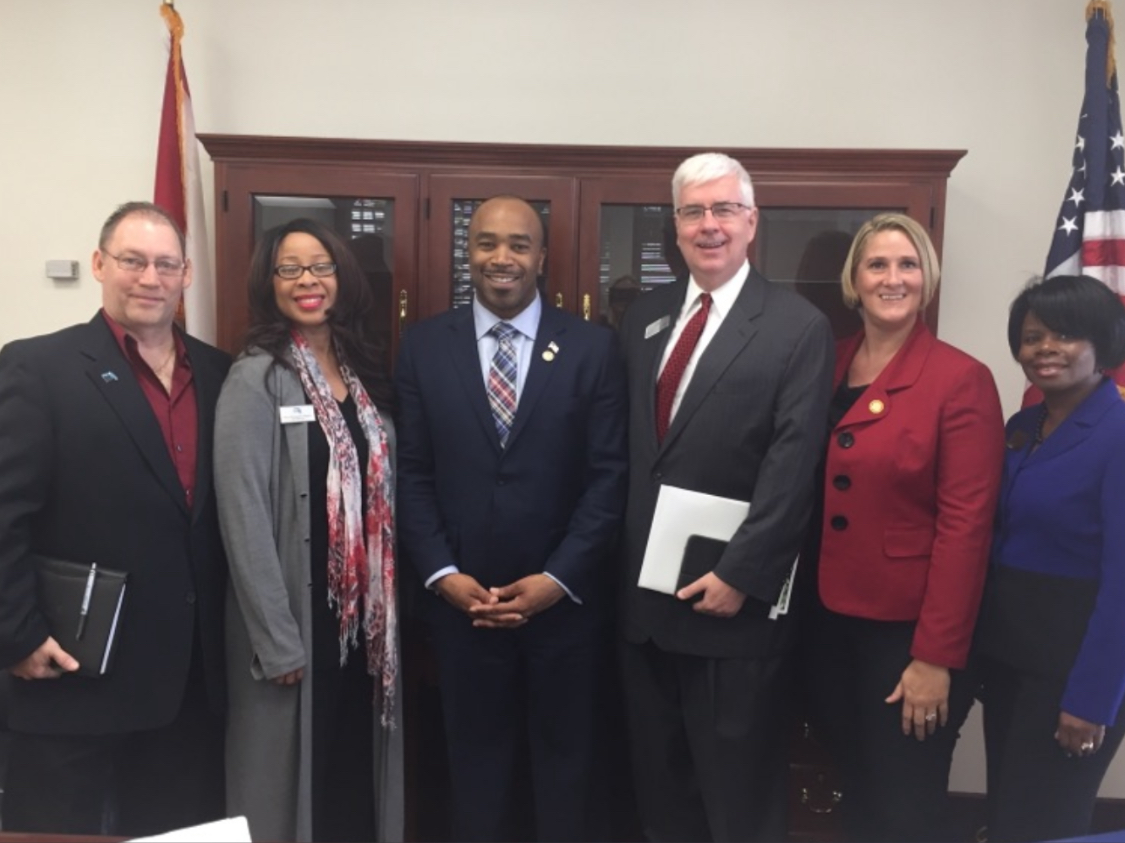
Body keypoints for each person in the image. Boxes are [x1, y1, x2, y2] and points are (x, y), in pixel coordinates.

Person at [395, 195, 628, 842]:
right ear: (467, 251)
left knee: (565, 775)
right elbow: (409, 473)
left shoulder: (592, 348)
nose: (502, 258)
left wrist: (557, 579)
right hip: (462, 607)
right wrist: (442, 573)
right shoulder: (423, 346)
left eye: (519, 245)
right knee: (475, 774)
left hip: (564, 609)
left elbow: (609, 477)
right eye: (487, 242)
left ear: (542, 256)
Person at [617, 152, 835, 842]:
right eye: (693, 211)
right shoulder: (645, 317)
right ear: (675, 224)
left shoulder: (797, 326)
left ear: (751, 222)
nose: (708, 225)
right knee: (660, 794)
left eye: (724, 210)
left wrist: (742, 572)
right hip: (643, 607)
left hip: (732, 610)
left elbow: (793, 464)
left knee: (737, 799)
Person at [0, 201, 229, 836]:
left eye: (166, 264)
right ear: (100, 264)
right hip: (70, 670)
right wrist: (15, 636)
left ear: (186, 275)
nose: (150, 278)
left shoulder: (221, 372)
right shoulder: (37, 367)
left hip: (188, 684)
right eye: (133, 261)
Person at [802, 212, 1004, 842]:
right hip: (824, 623)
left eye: (908, 264)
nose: (893, 278)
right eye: (877, 265)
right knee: (856, 785)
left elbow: (967, 527)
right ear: (853, 281)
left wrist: (935, 657)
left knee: (902, 803)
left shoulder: (960, 379)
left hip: (907, 635)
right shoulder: (825, 362)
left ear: (927, 279)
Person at [214, 218, 402, 843]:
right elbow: (242, 512)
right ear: (268, 283)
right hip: (297, 619)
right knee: (292, 787)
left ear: (342, 277)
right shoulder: (256, 377)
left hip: (362, 622)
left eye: (320, 266)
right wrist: (276, 639)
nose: (307, 281)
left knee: (349, 772)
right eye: (289, 269)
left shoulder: (361, 370)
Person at [974, 274, 1125, 842]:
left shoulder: (1119, 433)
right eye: (1033, 337)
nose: (1045, 349)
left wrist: (1092, 700)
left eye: (1064, 335)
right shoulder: (1023, 426)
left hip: (1075, 674)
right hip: (1011, 664)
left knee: (1043, 827)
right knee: (1007, 815)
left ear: (1102, 343)